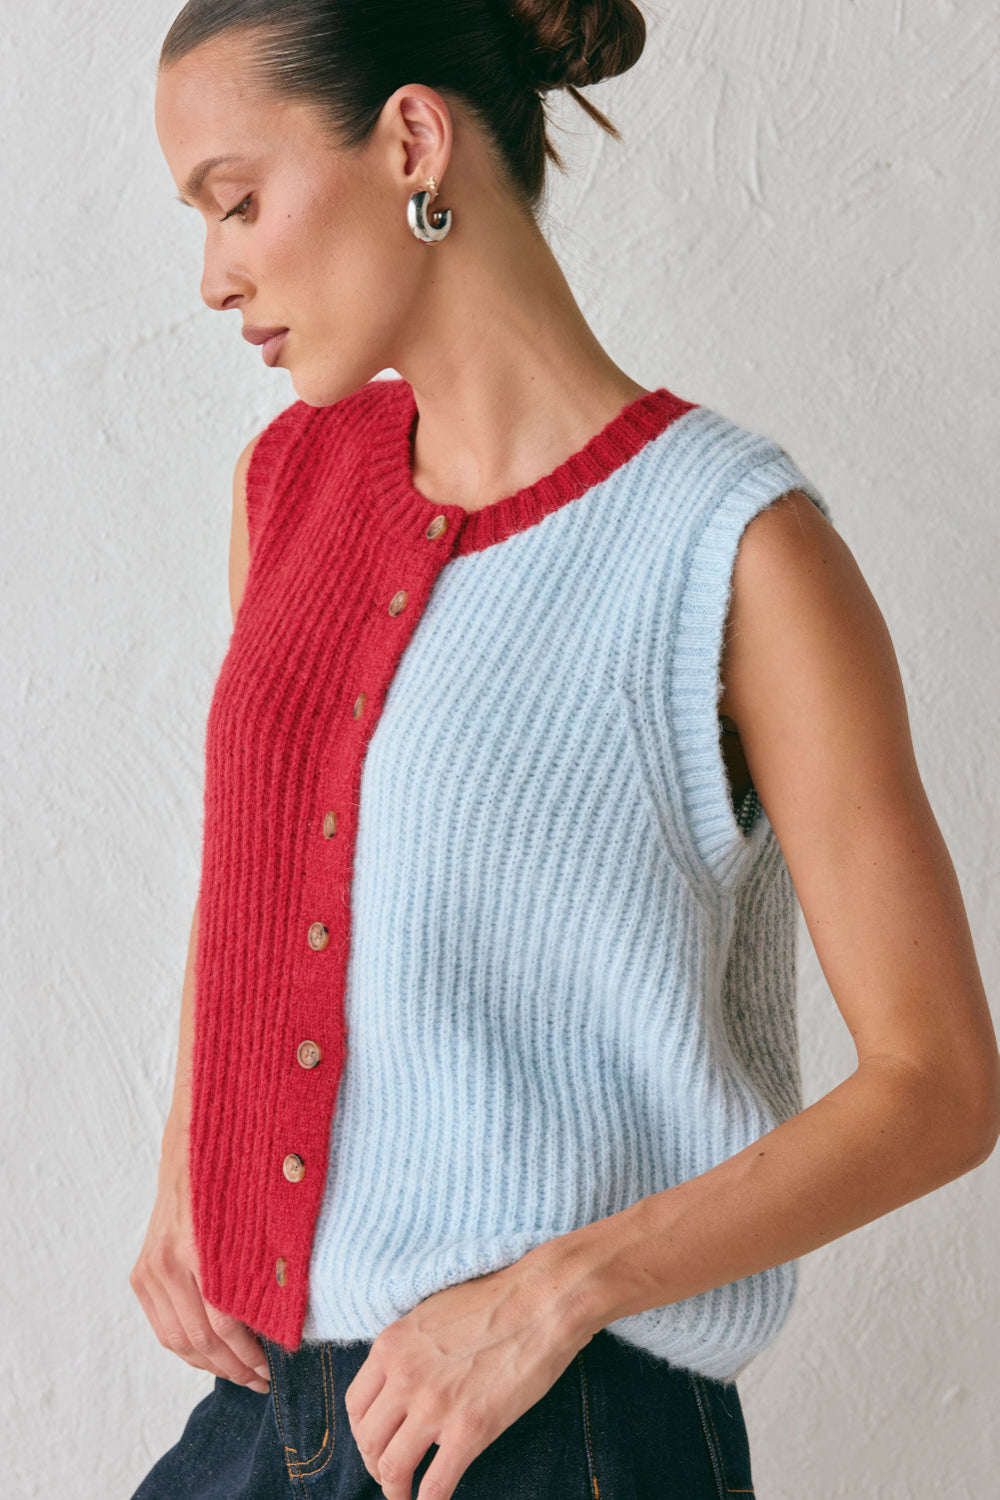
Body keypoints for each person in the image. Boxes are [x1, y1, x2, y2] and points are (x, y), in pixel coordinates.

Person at [130, 2, 1000, 1497]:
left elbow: (939, 1085)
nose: (214, 274)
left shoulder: (730, 546)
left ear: (413, 140)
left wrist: (556, 1292)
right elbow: (267, 861)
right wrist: (187, 1162)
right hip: (280, 1409)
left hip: (558, 1424)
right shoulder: (286, 490)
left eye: (238, 201)